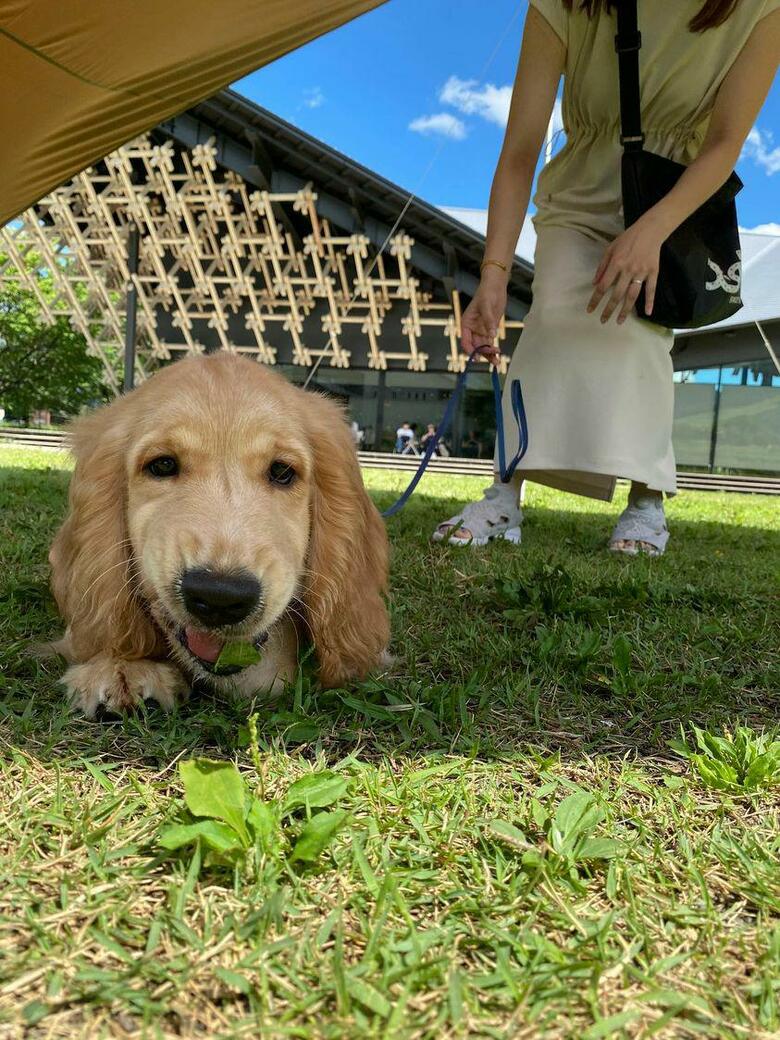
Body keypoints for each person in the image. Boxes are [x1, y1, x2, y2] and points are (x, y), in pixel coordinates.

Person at [433, 0, 780, 553]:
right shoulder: (563, 3)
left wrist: (654, 230)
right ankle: (504, 497)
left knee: (641, 337)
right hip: (578, 197)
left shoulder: (759, 9)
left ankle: (646, 503)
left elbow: (725, 144)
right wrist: (493, 275)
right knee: (550, 322)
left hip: (674, 201)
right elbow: (520, 151)